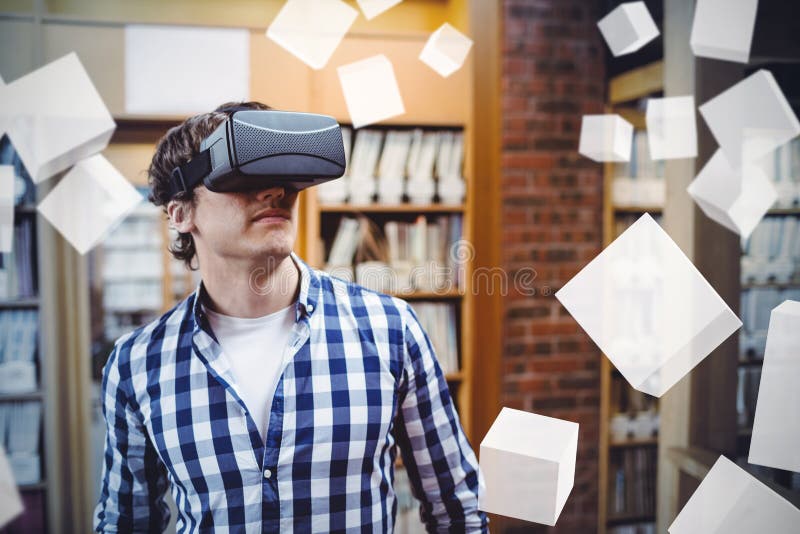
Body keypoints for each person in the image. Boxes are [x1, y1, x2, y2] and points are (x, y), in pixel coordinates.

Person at [93, 101, 489, 532]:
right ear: (181, 212)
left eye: (284, 175)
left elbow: (458, 510)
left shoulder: (390, 331)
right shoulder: (138, 365)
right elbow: (124, 524)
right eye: (242, 175)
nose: (274, 191)